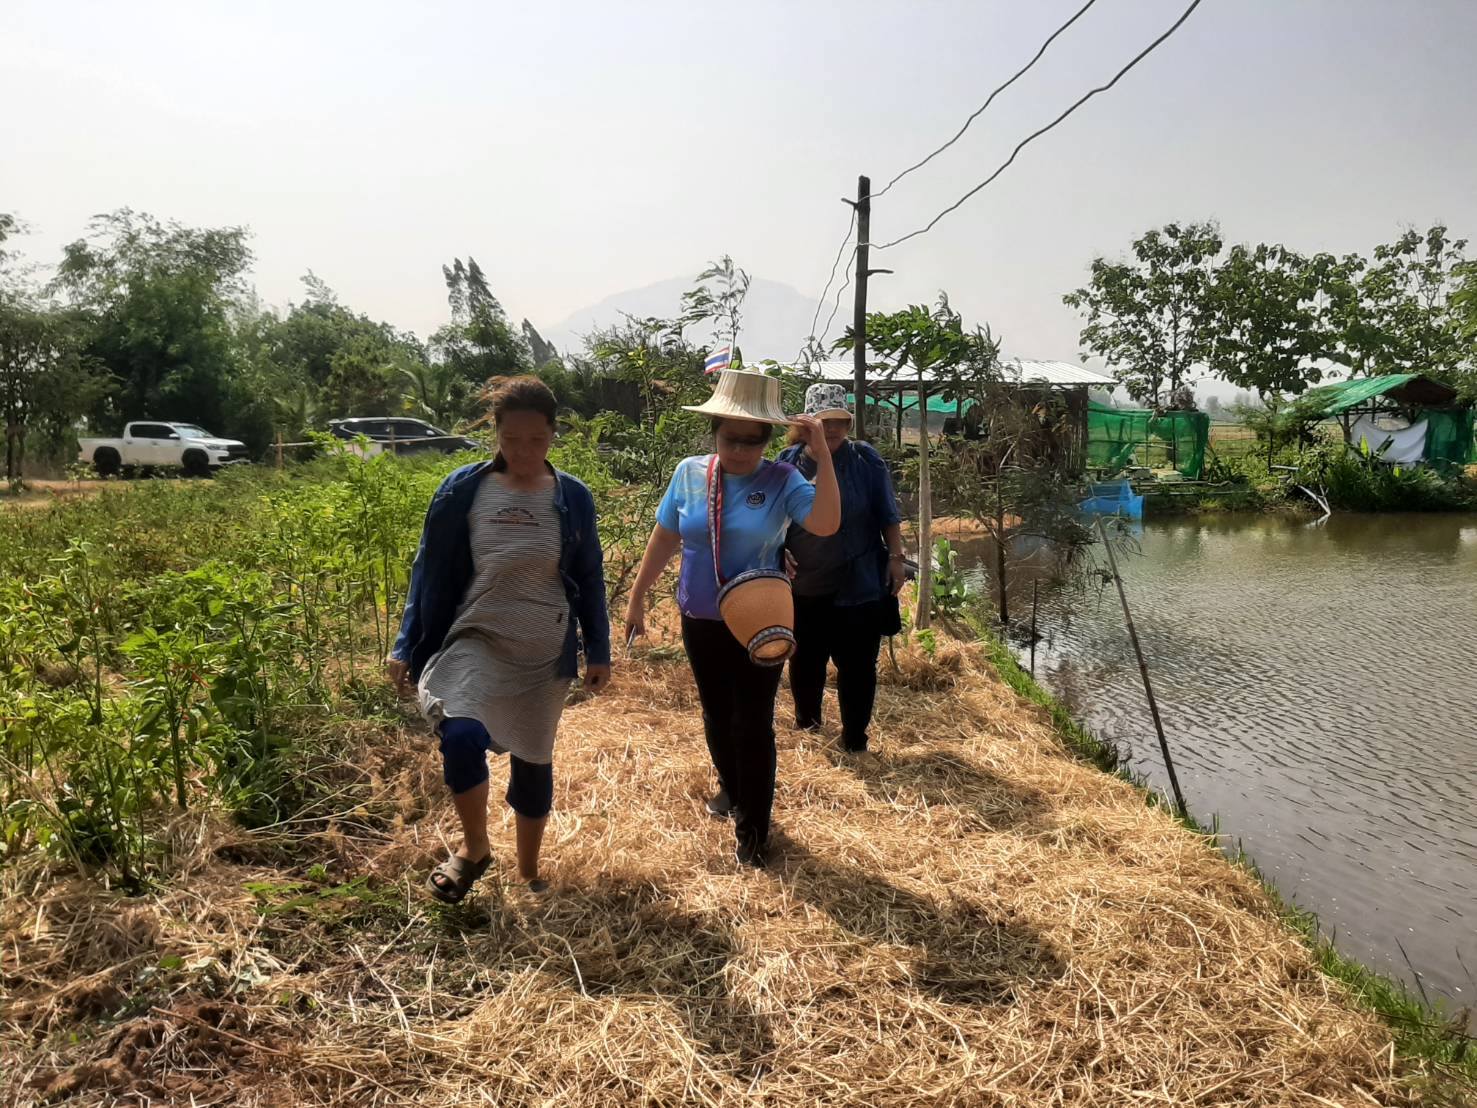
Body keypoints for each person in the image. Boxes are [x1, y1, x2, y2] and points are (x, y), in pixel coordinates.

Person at [385, 376, 611, 903]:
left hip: (544, 648)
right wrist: (405, 641)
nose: (524, 451)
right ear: (496, 434)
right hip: (476, 635)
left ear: (554, 434)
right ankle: (475, 848)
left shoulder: (571, 496)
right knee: (459, 732)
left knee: (533, 759)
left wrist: (597, 649)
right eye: (512, 440)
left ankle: (529, 871)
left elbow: (591, 575)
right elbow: (429, 568)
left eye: (537, 440)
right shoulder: (463, 489)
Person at [623, 369, 840, 868]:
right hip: (699, 617)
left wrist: (821, 454)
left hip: (758, 622)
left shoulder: (783, 479)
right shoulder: (689, 474)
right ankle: (733, 789)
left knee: (754, 722)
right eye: (730, 439)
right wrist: (636, 598)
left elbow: (826, 523)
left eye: (752, 441)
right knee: (717, 714)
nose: (740, 450)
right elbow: (664, 537)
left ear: (767, 439)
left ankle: (754, 829)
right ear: (715, 432)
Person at [778, 383, 905, 754]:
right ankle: (807, 726)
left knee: (858, 666)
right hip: (804, 584)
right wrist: (777, 553)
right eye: (823, 422)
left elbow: (888, 514)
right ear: (805, 425)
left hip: (859, 583)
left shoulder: (865, 460)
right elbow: (772, 521)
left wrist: (896, 559)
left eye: (839, 422)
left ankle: (855, 739)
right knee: (805, 660)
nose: (831, 430)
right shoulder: (787, 464)